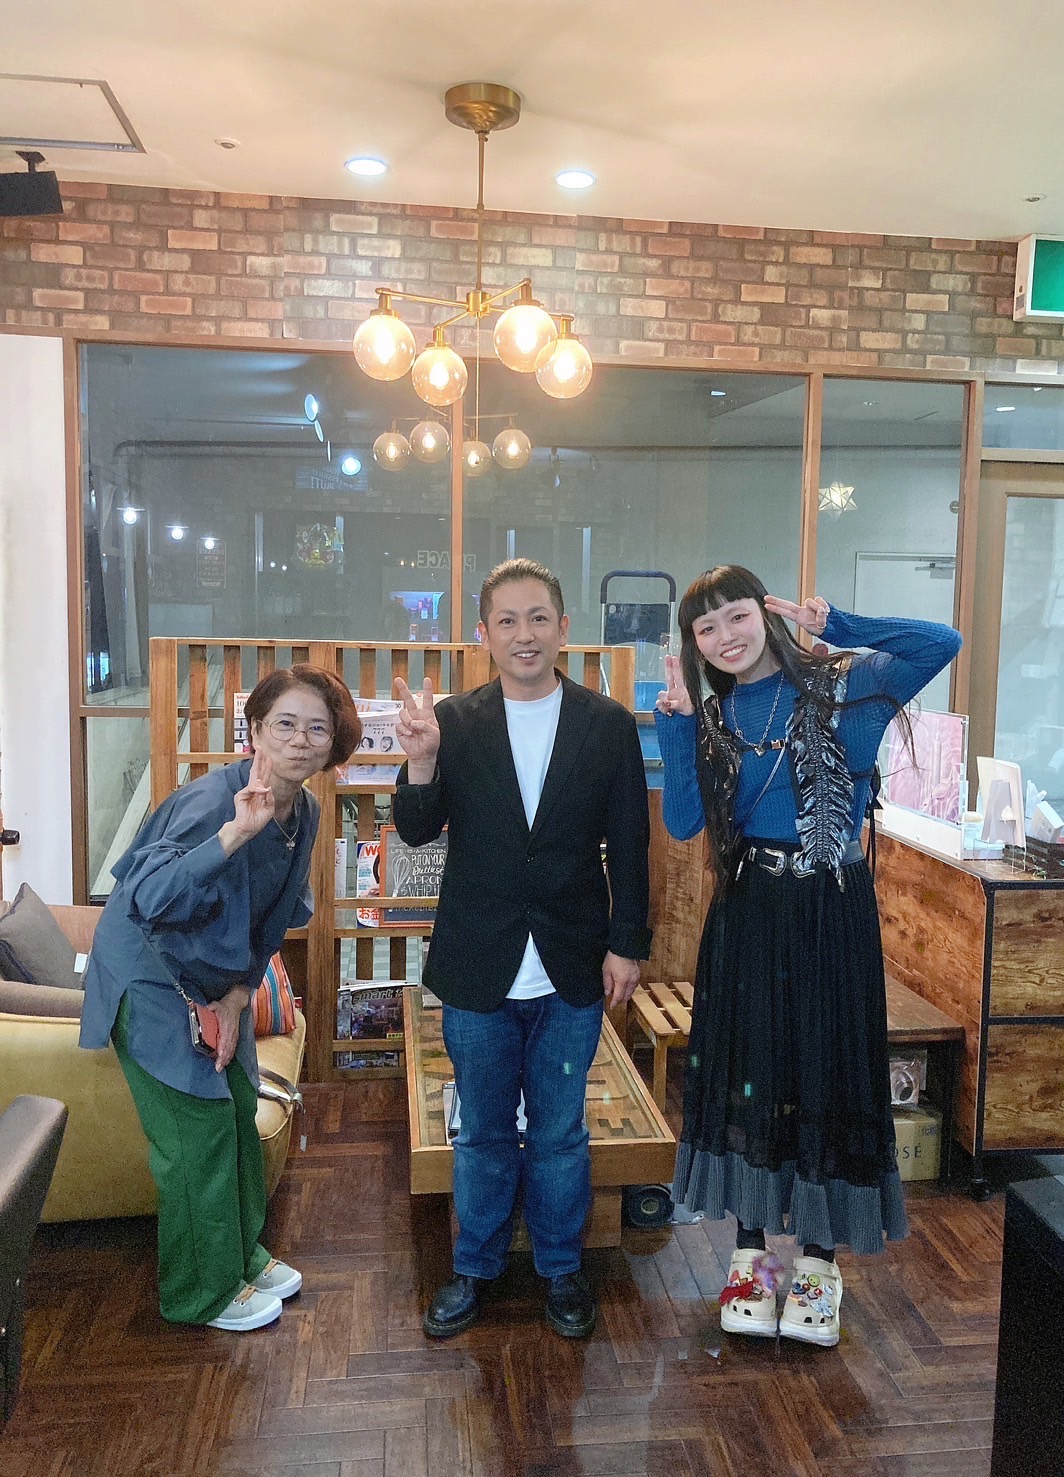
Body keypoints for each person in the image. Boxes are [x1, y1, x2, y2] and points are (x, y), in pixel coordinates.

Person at [654, 566, 962, 1348]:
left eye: (737, 615)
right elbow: (685, 824)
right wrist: (677, 723)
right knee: (752, 1070)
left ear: (766, 613)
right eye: (705, 628)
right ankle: (753, 1256)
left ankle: (820, 1264)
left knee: (828, 1069)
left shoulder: (846, 688)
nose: (725, 636)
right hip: (750, 911)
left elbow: (941, 641)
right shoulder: (713, 716)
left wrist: (840, 623)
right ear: (694, 645)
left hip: (831, 909)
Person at [393, 557, 651, 1340]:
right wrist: (421, 758)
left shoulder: (607, 723)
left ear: (563, 627)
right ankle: (473, 1265)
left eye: (538, 617)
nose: (524, 633)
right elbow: (415, 831)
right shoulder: (454, 719)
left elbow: (631, 845)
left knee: (561, 1133)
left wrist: (628, 944)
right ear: (484, 634)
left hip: (572, 964)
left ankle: (561, 1268)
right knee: (481, 1131)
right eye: (507, 620)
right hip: (478, 964)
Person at [79, 665, 361, 1331]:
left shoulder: (306, 810)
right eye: (284, 724)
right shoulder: (210, 803)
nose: (299, 740)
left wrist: (238, 996)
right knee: (196, 1133)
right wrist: (234, 833)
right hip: (151, 980)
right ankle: (198, 1293)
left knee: (238, 1107)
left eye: (317, 728)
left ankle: (239, 1256)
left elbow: (274, 917)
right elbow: (147, 899)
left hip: (215, 984)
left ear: (334, 743)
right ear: (255, 730)